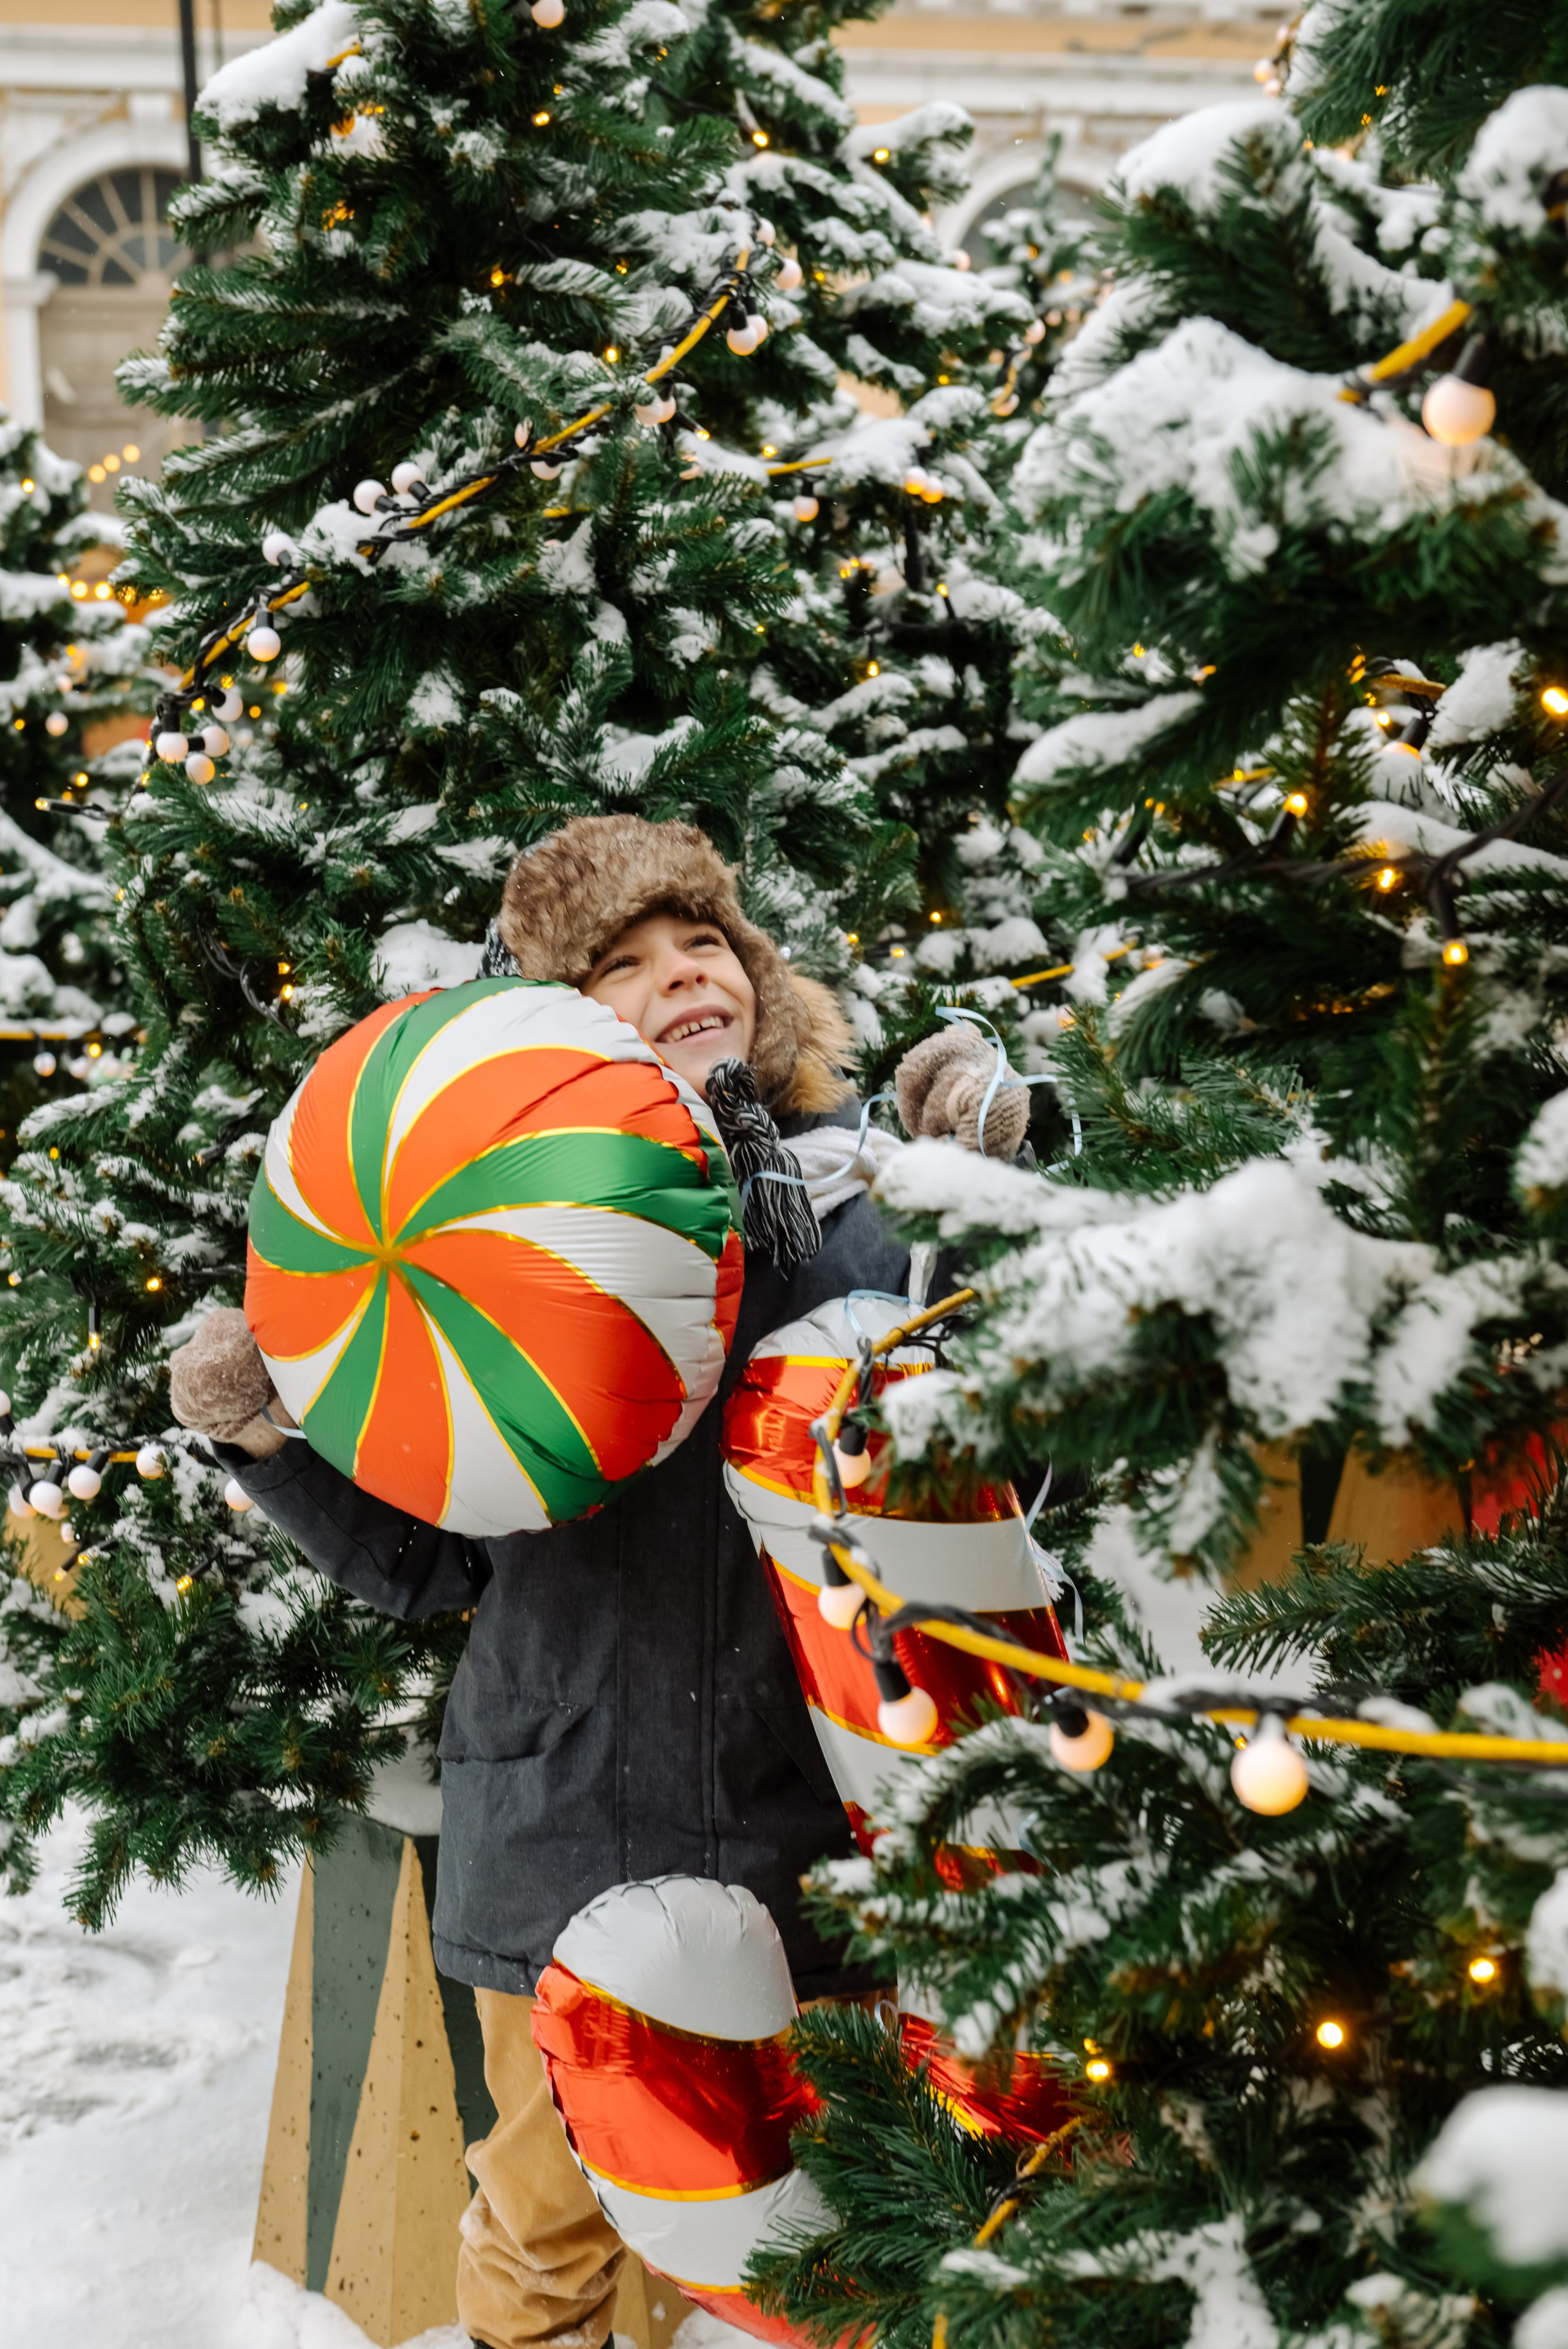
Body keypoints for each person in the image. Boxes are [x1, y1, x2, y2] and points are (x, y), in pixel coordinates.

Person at [167, 815, 1027, 2349]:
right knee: (547, 2215)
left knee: (847, 2216)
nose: (682, 973)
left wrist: (974, 1192)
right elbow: (431, 1564)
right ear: (549, 1034)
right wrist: (270, 1440)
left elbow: (993, 1464)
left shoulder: (854, 1204)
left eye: (703, 941)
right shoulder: (486, 1250)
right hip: (567, 1830)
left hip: (807, 1822)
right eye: (622, 964)